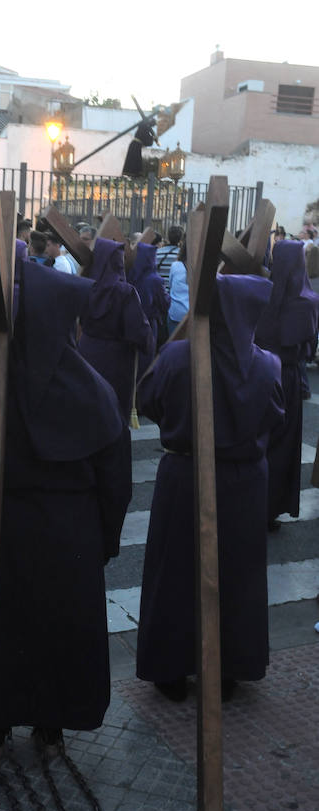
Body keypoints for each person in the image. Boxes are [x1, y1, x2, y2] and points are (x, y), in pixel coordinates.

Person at [0, 261, 132, 755]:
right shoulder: (95, 389)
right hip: (66, 535)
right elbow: (116, 482)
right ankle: (51, 721)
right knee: (55, 630)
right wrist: (105, 539)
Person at [136, 274, 285, 701]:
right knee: (236, 573)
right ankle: (228, 668)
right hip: (243, 481)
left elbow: (147, 400)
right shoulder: (267, 365)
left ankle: (170, 667)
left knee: (175, 571)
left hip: (185, 476)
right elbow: (276, 419)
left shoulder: (178, 356)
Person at [255, 240, 319, 527]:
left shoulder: (261, 292)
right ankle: (270, 508)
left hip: (259, 373)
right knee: (282, 445)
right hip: (288, 376)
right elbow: (308, 346)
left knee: (258, 440)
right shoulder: (306, 301)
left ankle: (249, 503)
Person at [78, 237, 154, 423]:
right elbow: (138, 329)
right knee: (114, 413)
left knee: (90, 409)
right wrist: (148, 344)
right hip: (116, 359)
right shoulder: (125, 292)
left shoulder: (85, 287)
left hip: (87, 352)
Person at [128, 241, 170, 366]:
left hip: (131, 321)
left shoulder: (131, 274)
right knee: (146, 358)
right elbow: (165, 303)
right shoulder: (155, 280)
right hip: (149, 324)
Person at [167, 241, 189, 335]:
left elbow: (170, 285)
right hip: (194, 314)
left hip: (176, 311)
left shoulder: (175, 265)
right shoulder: (202, 267)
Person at [156, 225, 184, 290]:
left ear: (168, 237)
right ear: (180, 239)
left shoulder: (157, 253)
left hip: (159, 292)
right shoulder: (182, 255)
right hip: (175, 293)